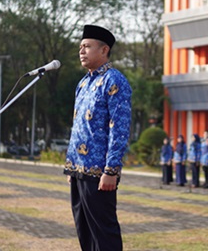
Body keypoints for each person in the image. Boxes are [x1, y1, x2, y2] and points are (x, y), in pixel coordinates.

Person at [64, 24, 132, 251]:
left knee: (104, 235)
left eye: (87, 46)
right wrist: (71, 167)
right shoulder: (82, 83)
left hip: (99, 173)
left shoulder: (115, 81)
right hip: (78, 170)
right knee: (84, 232)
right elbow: (78, 127)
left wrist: (111, 170)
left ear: (104, 50)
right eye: (80, 47)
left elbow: (119, 129)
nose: (81, 51)